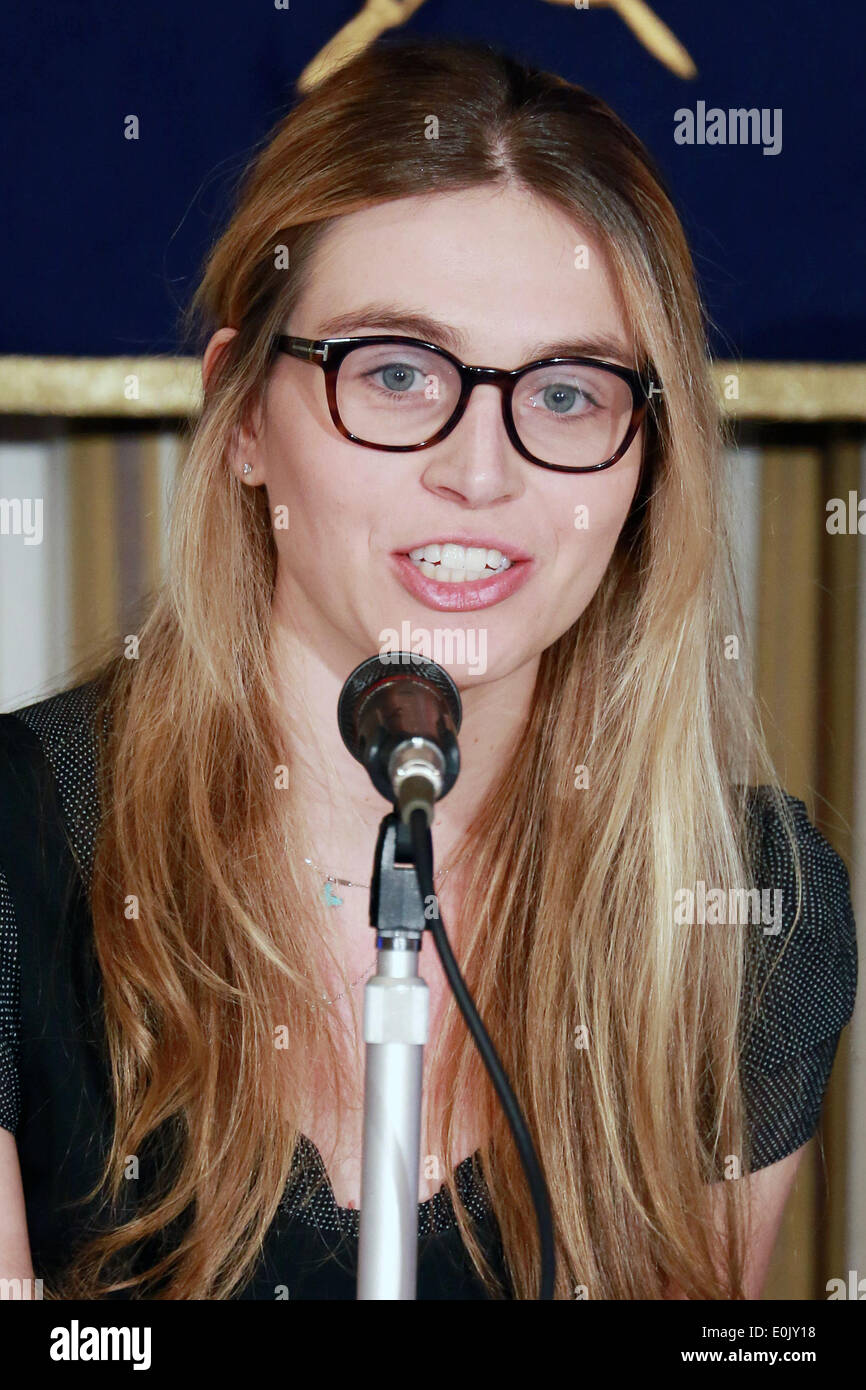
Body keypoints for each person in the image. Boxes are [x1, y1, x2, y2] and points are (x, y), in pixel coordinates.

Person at [0, 35, 856, 1301]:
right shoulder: (20, 849)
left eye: (566, 393)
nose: (481, 469)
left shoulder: (747, 917)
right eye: (396, 372)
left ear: (645, 460)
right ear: (239, 413)